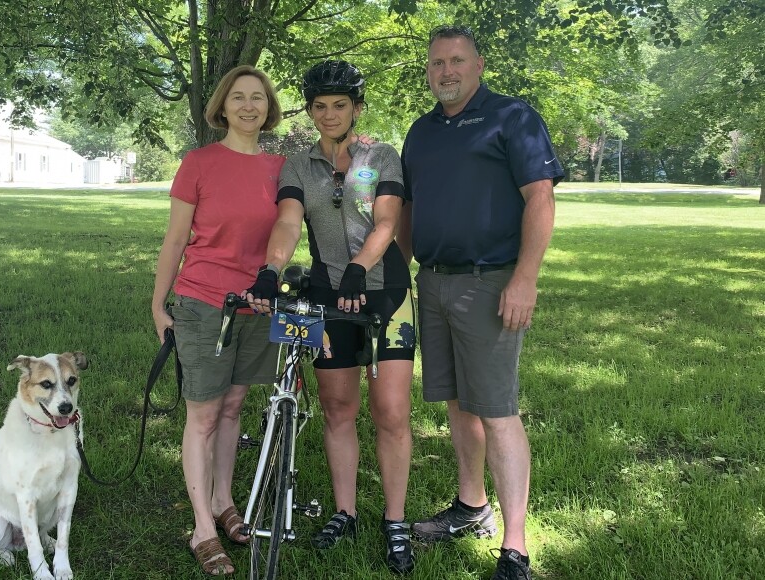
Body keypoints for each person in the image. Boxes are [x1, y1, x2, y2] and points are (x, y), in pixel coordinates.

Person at [398, 25, 564, 580]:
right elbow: (409, 209)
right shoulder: (420, 133)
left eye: (457, 61)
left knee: (496, 411)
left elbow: (540, 198)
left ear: (479, 64)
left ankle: (515, 548)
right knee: (457, 404)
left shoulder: (512, 117)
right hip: (434, 282)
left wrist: (525, 278)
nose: (446, 71)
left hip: (491, 281)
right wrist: (405, 268)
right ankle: (472, 507)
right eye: (437, 63)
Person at [245, 60, 417, 574]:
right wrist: (270, 270)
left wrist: (360, 269)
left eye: (339, 105)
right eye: (319, 106)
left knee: (390, 412)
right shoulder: (298, 165)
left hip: (384, 293)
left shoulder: (380, 155)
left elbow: (387, 220)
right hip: (325, 295)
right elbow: (287, 220)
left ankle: (394, 520)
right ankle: (345, 512)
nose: (328, 114)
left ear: (356, 108)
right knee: (338, 407)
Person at [151, 65, 285, 577]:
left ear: (268, 107)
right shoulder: (200, 163)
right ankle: (202, 526)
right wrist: (157, 304)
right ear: (222, 107)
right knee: (203, 416)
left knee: (233, 409)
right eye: (238, 98)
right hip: (203, 301)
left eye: (257, 98)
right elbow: (175, 239)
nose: (248, 106)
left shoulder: (281, 167)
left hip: (257, 306)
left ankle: (225, 501)